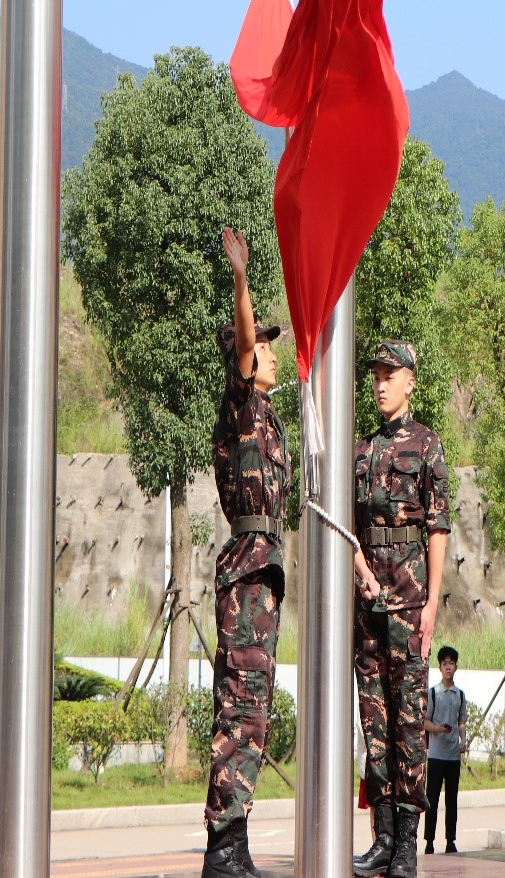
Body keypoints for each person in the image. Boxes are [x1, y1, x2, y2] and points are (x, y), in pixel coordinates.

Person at [203, 227, 290, 878]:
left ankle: (234, 840)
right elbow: (240, 341)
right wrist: (241, 280)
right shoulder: (240, 405)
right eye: (264, 344)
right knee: (239, 704)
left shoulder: (267, 415)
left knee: (253, 707)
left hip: (264, 570)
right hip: (246, 569)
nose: (271, 352)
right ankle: (223, 846)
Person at [351, 339, 451, 878]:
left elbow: (437, 527)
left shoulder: (427, 444)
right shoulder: (362, 450)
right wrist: (362, 573)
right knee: (374, 724)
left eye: (390, 375)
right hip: (368, 606)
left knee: (409, 724)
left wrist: (432, 602)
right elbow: (349, 529)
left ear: (410, 381)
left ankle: (408, 843)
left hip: (410, 605)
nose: (380, 384)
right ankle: (383, 837)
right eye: (376, 376)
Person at [423, 644, 467, 855]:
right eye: (444, 663)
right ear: (440, 667)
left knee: (452, 799)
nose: (448, 667)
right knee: (432, 799)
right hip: (436, 754)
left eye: (451, 663)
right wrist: (438, 729)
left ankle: (451, 840)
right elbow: (425, 722)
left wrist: (463, 740)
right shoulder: (433, 693)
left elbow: (462, 721)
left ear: (456, 667)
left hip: (453, 755)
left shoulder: (460, 695)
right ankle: (429, 841)